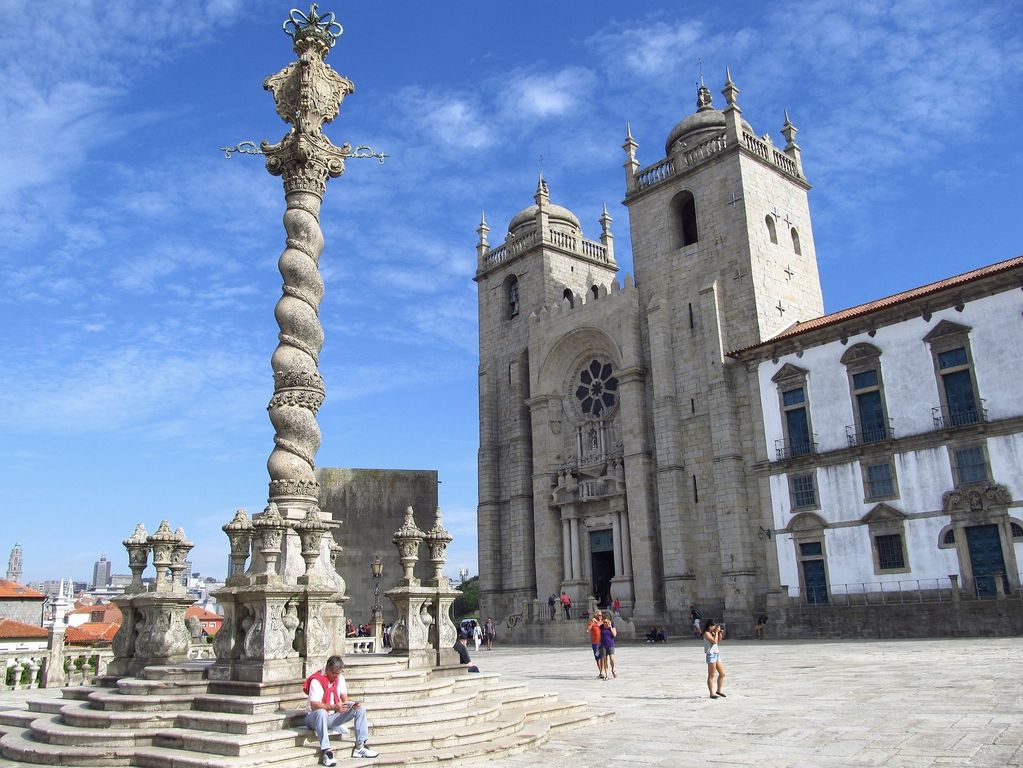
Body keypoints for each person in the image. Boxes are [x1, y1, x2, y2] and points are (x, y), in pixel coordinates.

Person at [304, 655, 379, 764]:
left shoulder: (340, 678)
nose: (336, 676)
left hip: (330, 717)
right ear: (327, 669)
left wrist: (352, 705)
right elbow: (314, 705)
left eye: (338, 673)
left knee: (360, 709)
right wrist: (334, 707)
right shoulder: (317, 680)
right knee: (321, 712)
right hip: (313, 718)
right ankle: (326, 751)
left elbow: (344, 698)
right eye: (333, 673)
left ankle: (360, 747)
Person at [703, 620, 726, 699]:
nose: (715, 627)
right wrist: (716, 632)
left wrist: (720, 633)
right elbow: (714, 642)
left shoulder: (712, 632)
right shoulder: (706, 633)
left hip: (716, 654)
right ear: (710, 626)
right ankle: (711, 693)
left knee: (722, 673)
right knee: (711, 675)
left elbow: (719, 640)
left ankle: (719, 690)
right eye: (714, 626)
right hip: (711, 655)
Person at [599, 612, 618, 679]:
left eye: (606, 622)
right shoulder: (601, 627)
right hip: (603, 645)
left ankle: (613, 669)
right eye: (604, 622)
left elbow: (614, 634)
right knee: (605, 659)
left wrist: (610, 628)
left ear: (609, 621)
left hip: (610, 644)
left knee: (612, 658)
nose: (605, 623)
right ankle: (606, 674)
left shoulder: (612, 625)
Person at [587, 612, 605, 678]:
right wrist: (592, 622)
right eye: (599, 615)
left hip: (602, 642)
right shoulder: (592, 622)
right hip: (595, 642)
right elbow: (588, 629)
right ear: (596, 615)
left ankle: (602, 672)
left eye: (601, 615)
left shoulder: (603, 622)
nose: (601, 616)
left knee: (602, 657)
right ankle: (600, 670)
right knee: (597, 658)